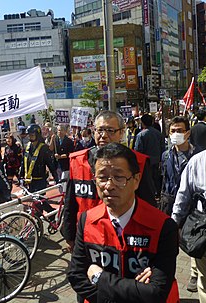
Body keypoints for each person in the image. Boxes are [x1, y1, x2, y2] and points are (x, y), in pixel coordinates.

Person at [67, 143, 179, 303]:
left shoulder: (163, 226)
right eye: (102, 178)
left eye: (119, 178)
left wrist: (100, 277)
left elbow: (156, 293)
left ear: (136, 180)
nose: (109, 185)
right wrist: (135, 289)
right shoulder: (86, 220)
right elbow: (77, 277)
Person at [63, 111, 156, 252]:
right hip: (87, 238)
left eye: (110, 131)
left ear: (121, 133)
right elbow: (70, 203)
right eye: (99, 130)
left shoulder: (138, 163)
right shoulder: (77, 161)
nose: (104, 135)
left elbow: (148, 205)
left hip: (125, 241)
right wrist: (69, 237)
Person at [171, 149, 206, 302]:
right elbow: (182, 197)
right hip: (204, 231)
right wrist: (173, 226)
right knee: (205, 280)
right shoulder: (198, 161)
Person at [20, 124, 59, 220]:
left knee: (38, 203)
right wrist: (21, 176)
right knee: (38, 201)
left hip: (40, 180)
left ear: (37, 135)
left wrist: (57, 179)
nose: (30, 137)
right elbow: (23, 162)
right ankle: (49, 213)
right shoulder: (27, 147)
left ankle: (40, 222)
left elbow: (51, 165)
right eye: (29, 135)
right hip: (30, 181)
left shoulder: (43, 148)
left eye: (32, 135)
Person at [134, 113, 165, 197]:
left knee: (147, 180)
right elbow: (163, 148)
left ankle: (150, 195)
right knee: (157, 179)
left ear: (142, 123)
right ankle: (158, 194)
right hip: (157, 160)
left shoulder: (141, 135)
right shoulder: (159, 134)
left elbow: (138, 150)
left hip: (146, 162)